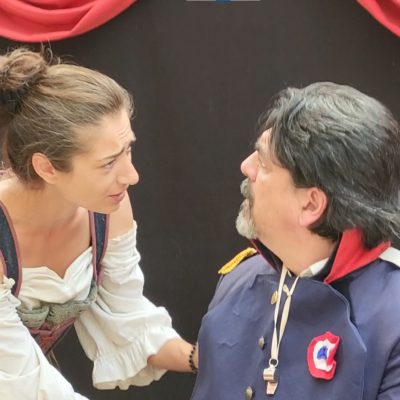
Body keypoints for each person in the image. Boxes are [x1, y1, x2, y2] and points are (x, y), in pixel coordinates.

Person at [0, 47, 198, 400]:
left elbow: (127, 318)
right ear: (47, 167)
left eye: (128, 150)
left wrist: (208, 359)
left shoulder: (106, 210)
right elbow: (21, 381)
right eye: (108, 163)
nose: (131, 176)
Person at [191, 82, 400, 400]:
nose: (246, 167)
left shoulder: (393, 318)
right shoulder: (238, 278)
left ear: (311, 204)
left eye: (263, 163)